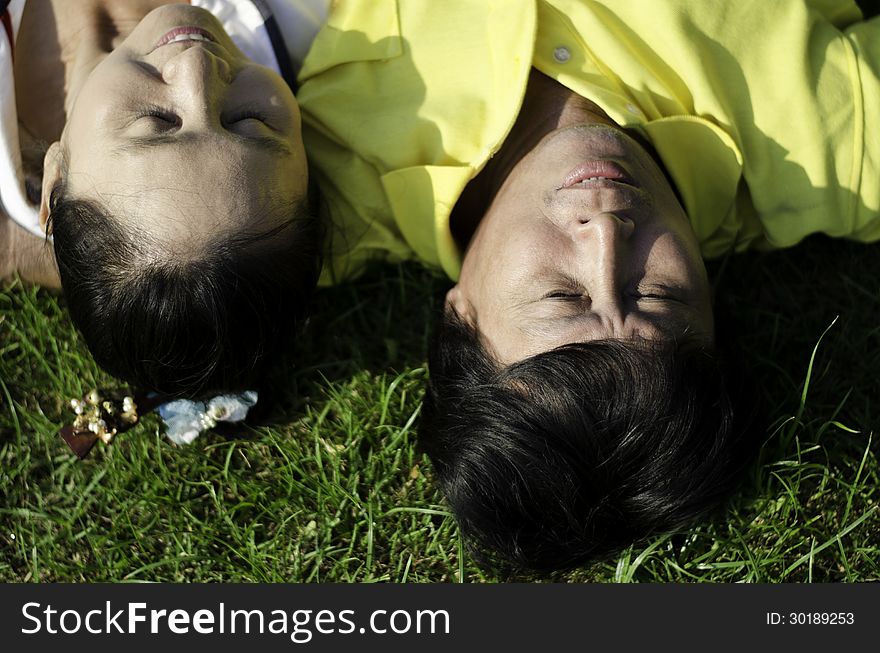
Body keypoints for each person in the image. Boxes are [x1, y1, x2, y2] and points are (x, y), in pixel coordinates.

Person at [296, 0, 880, 570]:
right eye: (657, 295)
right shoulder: (845, 151)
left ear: (459, 313)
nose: (606, 234)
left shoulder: (310, 195)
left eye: (560, 296)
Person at [1, 0, 327, 398]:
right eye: (249, 119)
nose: (197, 64)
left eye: (157, 120)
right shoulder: (310, 16)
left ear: (55, 183)